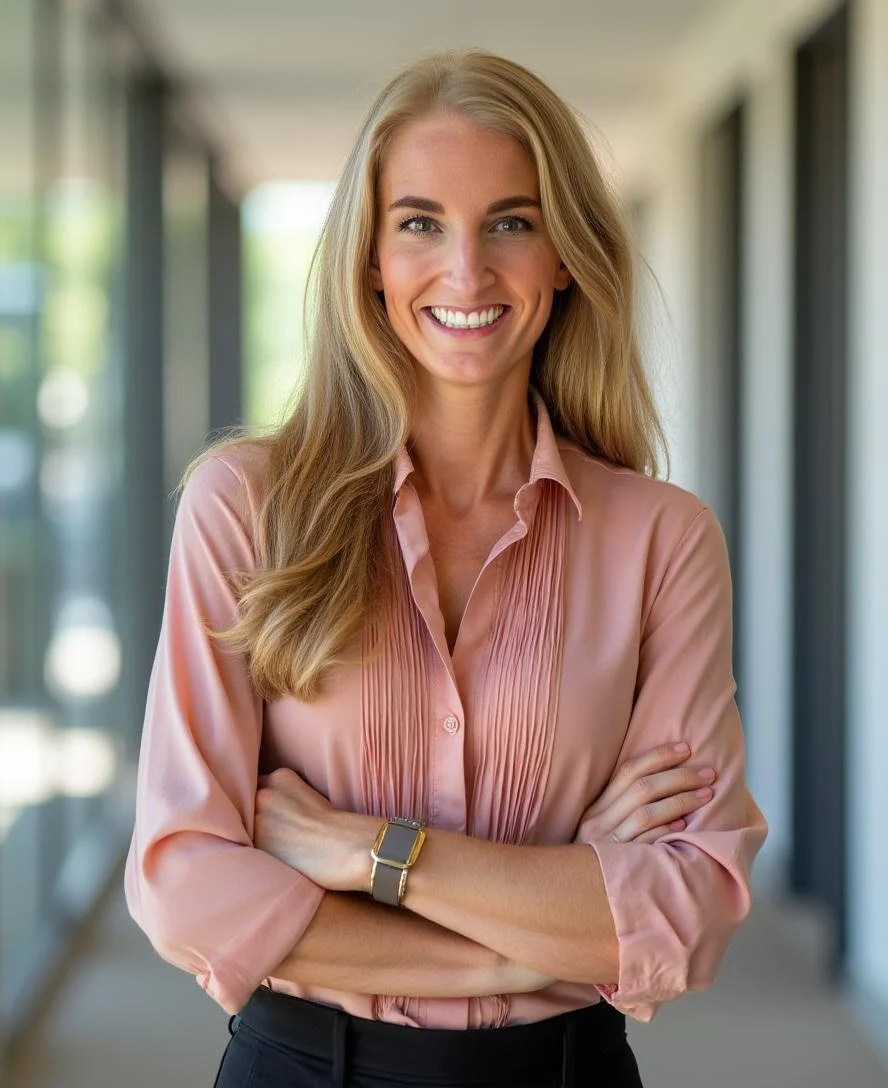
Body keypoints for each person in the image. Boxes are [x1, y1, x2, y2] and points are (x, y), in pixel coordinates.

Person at [125, 48, 767, 1088]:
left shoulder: (662, 539)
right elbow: (185, 886)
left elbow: (685, 908)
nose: (465, 272)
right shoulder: (244, 507)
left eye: (510, 221)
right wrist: (542, 925)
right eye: (419, 222)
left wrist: (367, 851)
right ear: (369, 257)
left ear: (563, 252)